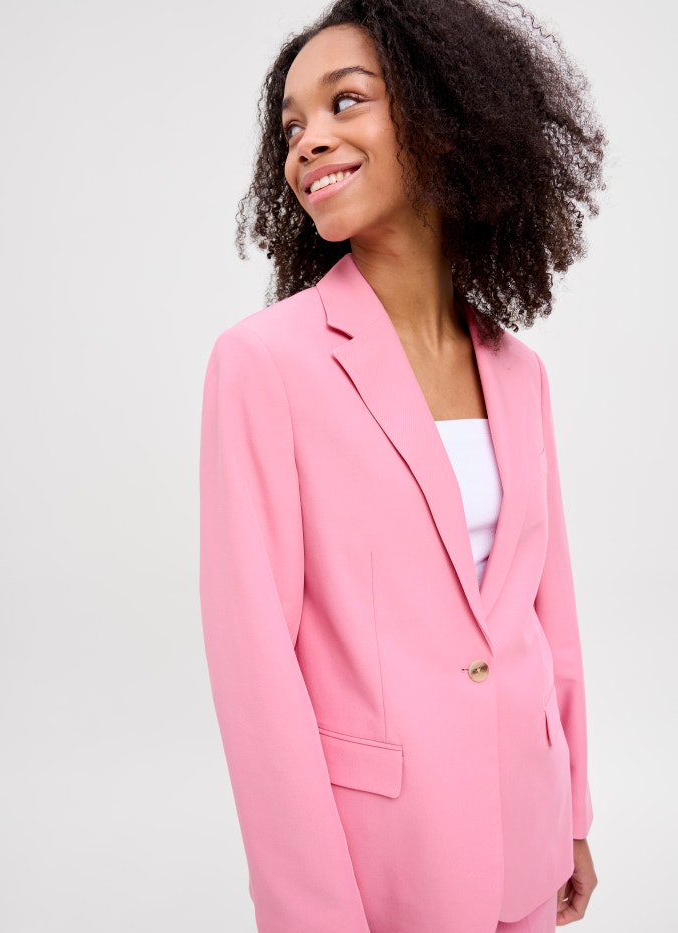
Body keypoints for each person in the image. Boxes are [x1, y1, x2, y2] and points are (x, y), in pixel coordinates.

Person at [199, 1, 605, 930]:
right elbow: (255, 667)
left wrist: (572, 814)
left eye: (346, 101)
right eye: (292, 126)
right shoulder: (265, 364)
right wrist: (311, 911)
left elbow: (550, 617)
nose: (308, 141)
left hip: (528, 836)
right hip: (382, 861)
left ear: (442, 114)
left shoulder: (519, 372)